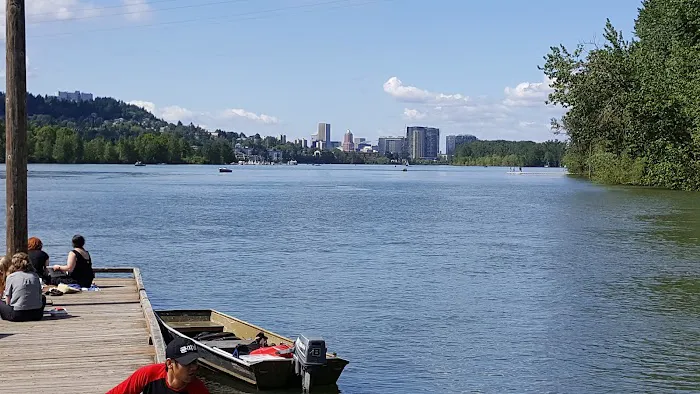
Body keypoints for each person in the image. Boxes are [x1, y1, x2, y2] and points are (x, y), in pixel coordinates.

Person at [106, 336, 209, 394]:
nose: (194, 367)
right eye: (187, 363)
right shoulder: (148, 374)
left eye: (194, 362)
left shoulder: (198, 389)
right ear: (169, 364)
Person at [0, 252, 46, 322]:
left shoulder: (11, 277)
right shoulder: (35, 275)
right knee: (43, 297)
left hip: (17, 315)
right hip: (37, 314)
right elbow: (39, 295)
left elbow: (8, 300)